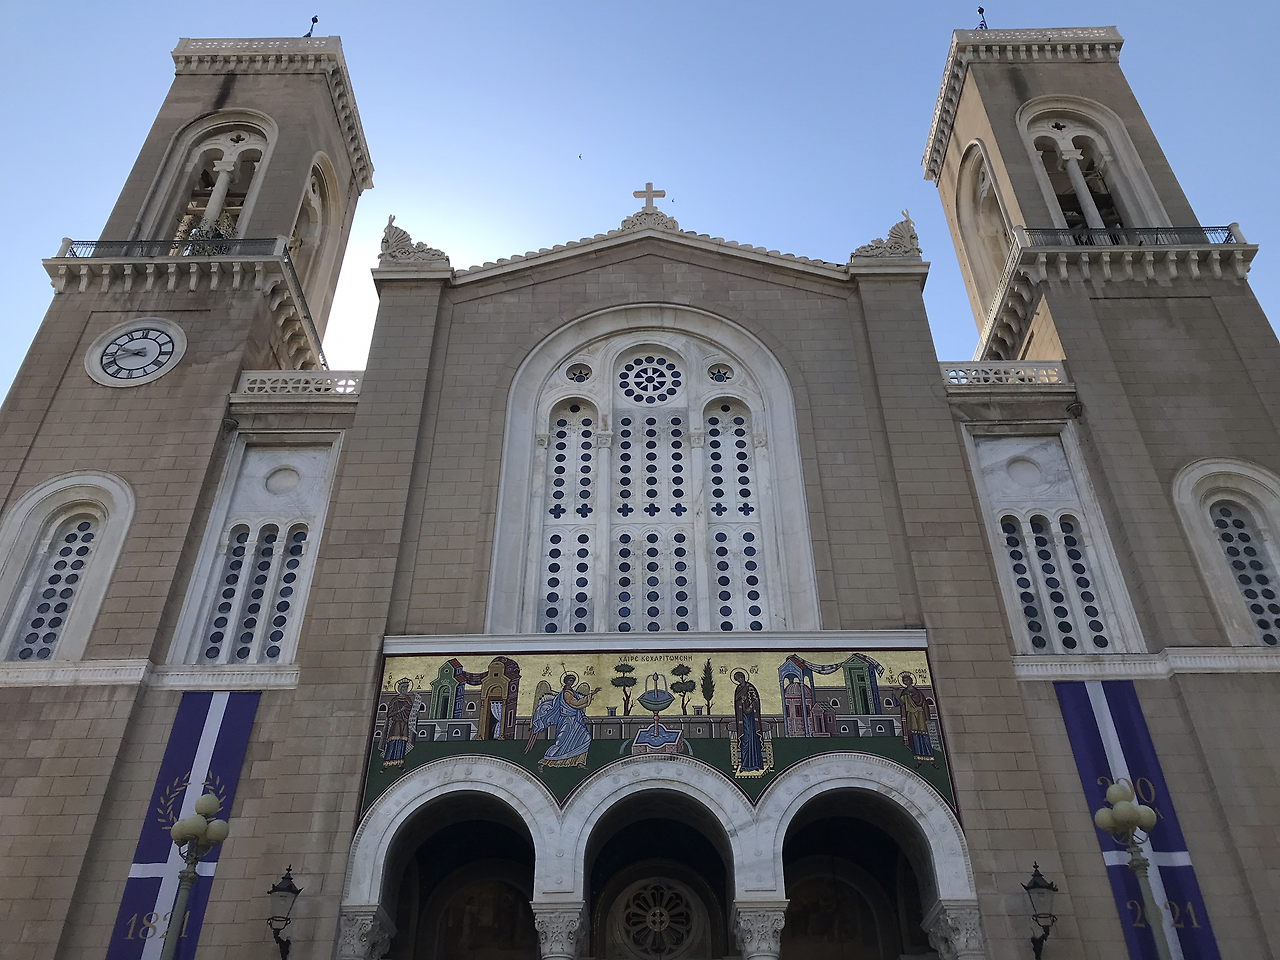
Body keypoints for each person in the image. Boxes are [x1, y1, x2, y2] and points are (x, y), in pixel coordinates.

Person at [525, 672, 600, 769]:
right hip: (566, 721)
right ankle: (544, 762)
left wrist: (582, 716)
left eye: (573, 681)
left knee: (585, 738)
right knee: (560, 744)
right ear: (566, 681)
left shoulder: (572, 692)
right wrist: (591, 694)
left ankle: (579, 762)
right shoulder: (566, 693)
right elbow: (576, 704)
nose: (571, 682)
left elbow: (577, 708)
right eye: (570, 680)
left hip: (575, 721)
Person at [897, 672, 937, 768]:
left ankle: (930, 758)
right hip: (911, 715)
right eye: (904, 681)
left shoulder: (917, 692)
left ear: (911, 680)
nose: (905, 682)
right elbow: (902, 704)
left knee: (924, 735)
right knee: (914, 735)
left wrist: (927, 717)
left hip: (920, 714)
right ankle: (918, 758)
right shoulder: (904, 693)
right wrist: (895, 696)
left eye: (906, 680)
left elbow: (923, 703)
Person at [381, 678, 422, 769]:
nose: (405, 689)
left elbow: (411, 711)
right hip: (396, 723)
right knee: (392, 741)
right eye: (404, 688)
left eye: (407, 688)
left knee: (402, 742)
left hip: (404, 724)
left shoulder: (408, 700)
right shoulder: (395, 700)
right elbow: (389, 714)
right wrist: (400, 710)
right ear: (400, 688)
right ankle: (386, 762)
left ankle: (400, 762)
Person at [733, 670, 765, 774]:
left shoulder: (750, 687)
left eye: (740, 678)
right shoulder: (738, 689)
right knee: (745, 740)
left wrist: (750, 706)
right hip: (742, 718)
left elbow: (756, 700)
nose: (740, 680)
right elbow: (736, 702)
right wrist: (741, 701)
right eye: (738, 679)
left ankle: (756, 764)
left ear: (743, 677)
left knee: (753, 739)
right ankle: (745, 765)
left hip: (751, 718)